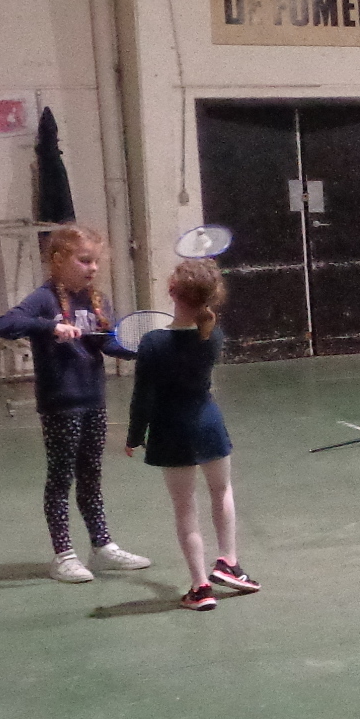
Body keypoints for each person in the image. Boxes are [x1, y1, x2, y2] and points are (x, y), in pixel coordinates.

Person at [0, 226, 152, 583]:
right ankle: (63, 556)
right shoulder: (43, 299)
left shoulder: (98, 301)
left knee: (91, 476)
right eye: (84, 260)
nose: (92, 268)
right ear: (58, 260)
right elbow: (3, 325)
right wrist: (50, 328)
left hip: (93, 399)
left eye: (96, 261)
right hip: (60, 403)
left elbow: (108, 344)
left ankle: (102, 547)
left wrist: (142, 350)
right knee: (61, 477)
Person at [121, 259, 254, 612]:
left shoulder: (153, 342)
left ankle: (200, 587)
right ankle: (228, 561)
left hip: (171, 430)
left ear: (172, 292)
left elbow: (143, 397)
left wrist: (134, 436)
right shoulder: (213, 335)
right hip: (208, 424)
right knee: (221, 491)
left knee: (184, 507)